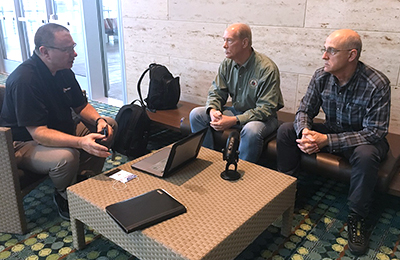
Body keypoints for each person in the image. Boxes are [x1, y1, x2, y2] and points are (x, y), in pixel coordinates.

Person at [276, 29, 391, 256]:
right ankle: (290, 191)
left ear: (351, 55)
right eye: (324, 49)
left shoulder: (377, 83)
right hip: (332, 130)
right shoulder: (321, 76)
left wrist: (326, 140)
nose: (324, 56)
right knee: (287, 130)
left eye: (331, 51)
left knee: (366, 155)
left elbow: (375, 131)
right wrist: (307, 131)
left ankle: (357, 218)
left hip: (362, 139)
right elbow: (303, 110)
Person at [0, 23, 118, 220]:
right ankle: (64, 194)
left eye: (73, 47)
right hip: (23, 142)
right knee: (66, 156)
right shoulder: (25, 80)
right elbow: (39, 133)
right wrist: (81, 142)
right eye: (67, 49)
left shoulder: (63, 69)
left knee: (109, 124)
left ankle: (82, 179)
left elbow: (81, 106)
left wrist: (98, 120)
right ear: (44, 52)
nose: (74, 54)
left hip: (60, 127)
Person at [189, 23, 284, 163]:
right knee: (196, 114)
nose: (224, 45)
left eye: (229, 40)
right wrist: (213, 110)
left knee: (251, 130)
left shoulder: (267, 68)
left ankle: (240, 170)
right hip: (237, 112)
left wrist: (234, 120)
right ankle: (208, 161)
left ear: (244, 43)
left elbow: (266, 109)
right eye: (224, 40)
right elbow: (216, 92)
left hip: (263, 119)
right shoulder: (227, 64)